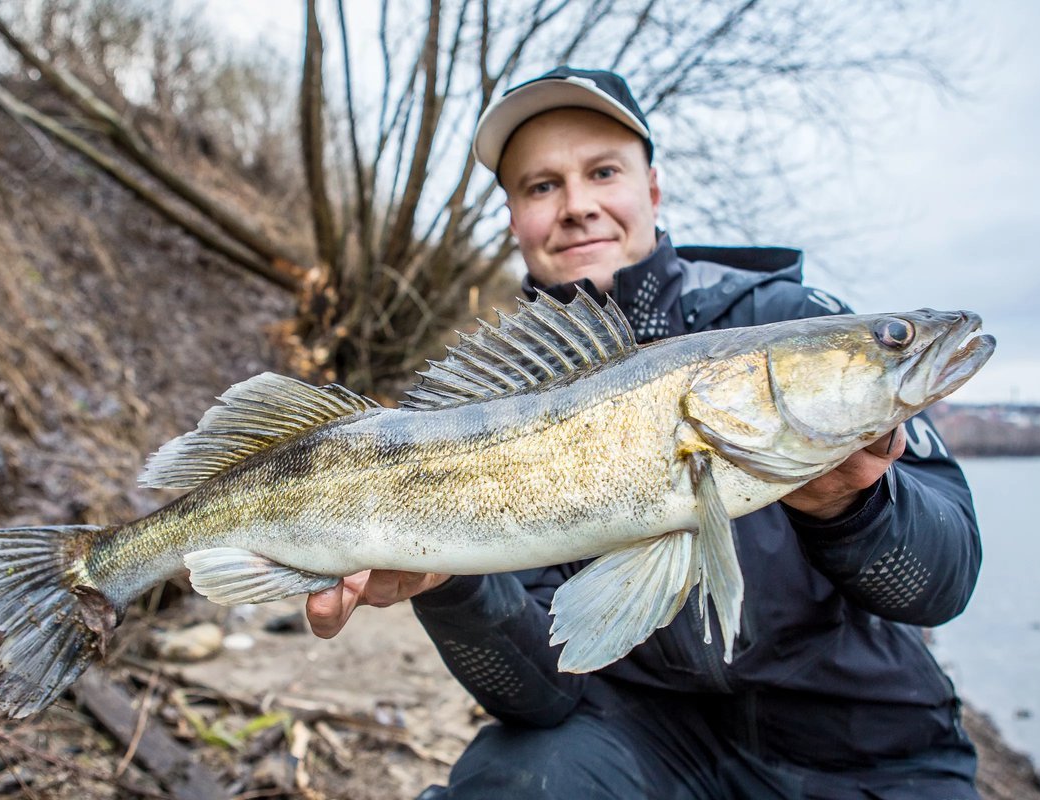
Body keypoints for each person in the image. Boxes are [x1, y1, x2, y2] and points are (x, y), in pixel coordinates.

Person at [306, 67, 982, 799]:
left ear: (652, 191)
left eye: (602, 171)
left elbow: (945, 581)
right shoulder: (488, 403)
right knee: (516, 778)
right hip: (648, 743)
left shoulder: (783, 313)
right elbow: (542, 697)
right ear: (515, 220)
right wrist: (448, 585)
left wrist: (853, 508)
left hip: (868, 749)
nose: (576, 206)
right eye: (541, 186)